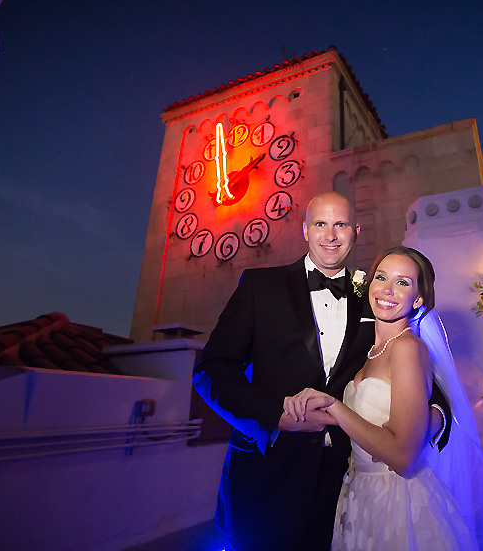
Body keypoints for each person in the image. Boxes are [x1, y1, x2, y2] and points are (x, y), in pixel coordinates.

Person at [192, 192, 451, 551]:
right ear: (305, 230)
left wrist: (435, 416)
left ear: (356, 231)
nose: (330, 235)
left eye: (340, 224)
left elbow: (410, 368)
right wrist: (274, 417)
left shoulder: (374, 297)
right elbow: (211, 370)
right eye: (320, 224)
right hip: (265, 475)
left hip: (341, 484)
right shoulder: (259, 287)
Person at [285, 246, 483, 551]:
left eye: (403, 282)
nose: (387, 290)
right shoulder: (368, 351)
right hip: (358, 495)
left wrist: (335, 406)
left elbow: (403, 458)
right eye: (381, 277)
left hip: (398, 501)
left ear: (418, 298)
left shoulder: (407, 348)